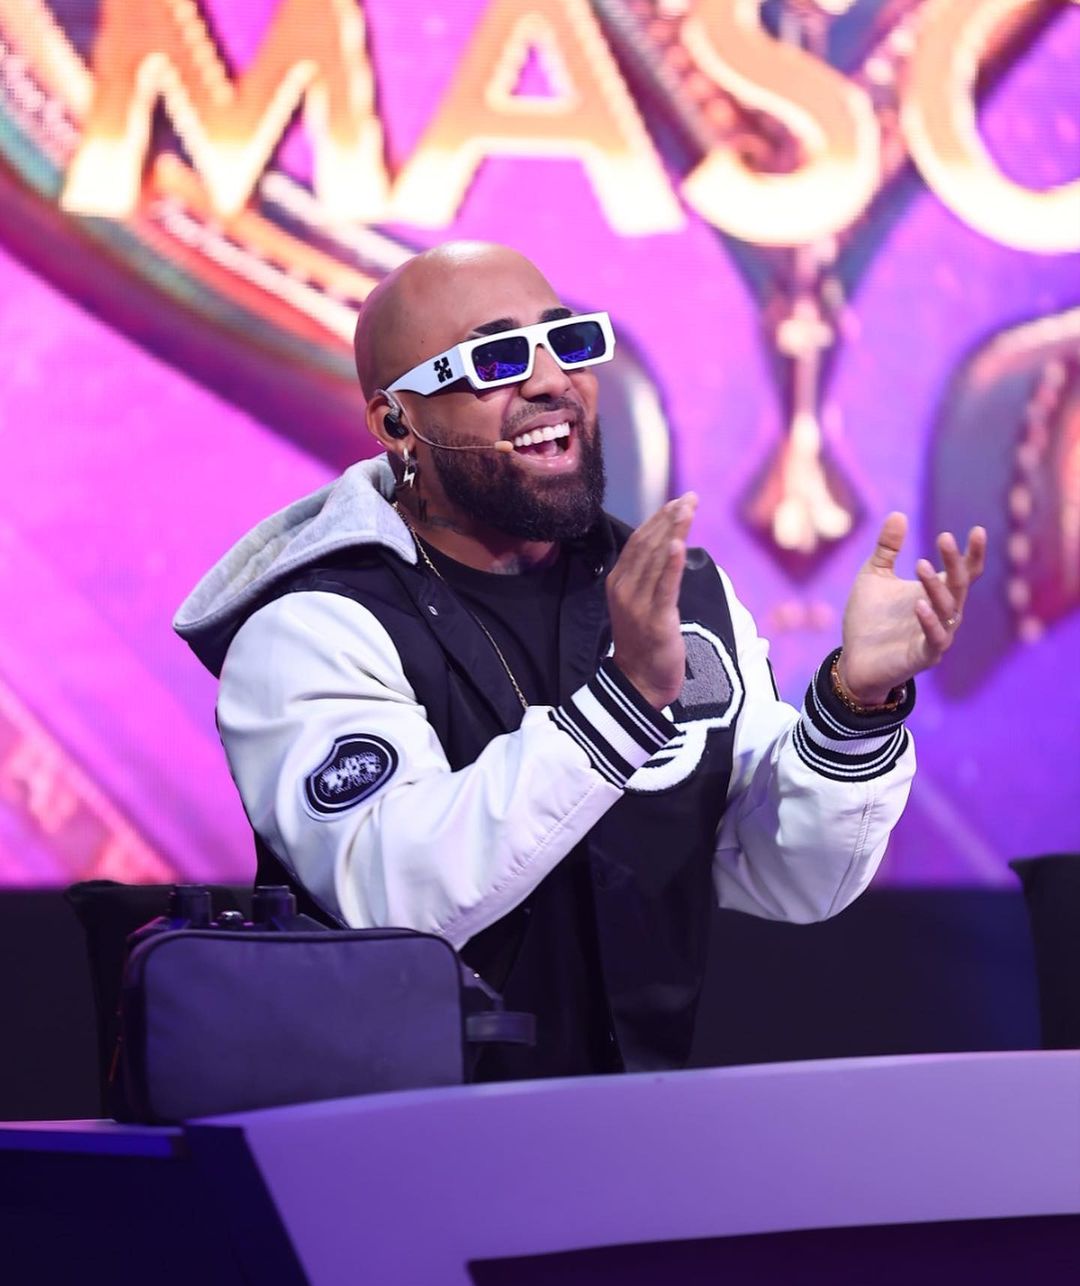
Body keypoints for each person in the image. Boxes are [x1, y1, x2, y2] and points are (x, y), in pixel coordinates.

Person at [175, 241, 986, 1080]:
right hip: (405, 1138)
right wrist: (621, 706)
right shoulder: (313, 628)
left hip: (635, 1128)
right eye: (495, 360)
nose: (549, 381)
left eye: (566, 342)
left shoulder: (679, 596)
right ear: (395, 423)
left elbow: (791, 878)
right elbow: (398, 896)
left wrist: (853, 707)